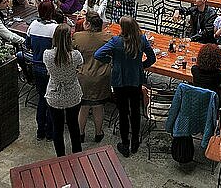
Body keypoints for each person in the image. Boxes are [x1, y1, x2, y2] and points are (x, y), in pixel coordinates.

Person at [94, 16, 156, 158]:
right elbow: (152, 58)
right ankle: (135, 142)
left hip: (119, 81)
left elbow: (98, 54)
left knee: (123, 113)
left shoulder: (116, 41)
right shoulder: (141, 40)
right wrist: (141, 66)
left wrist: (110, 61)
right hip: (135, 80)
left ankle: (125, 143)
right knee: (135, 110)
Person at [44, 24, 83, 157]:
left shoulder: (47, 55)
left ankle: (60, 157)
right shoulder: (76, 56)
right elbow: (79, 68)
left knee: (57, 128)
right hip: (72, 93)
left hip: (54, 94)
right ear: (69, 38)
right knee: (73, 126)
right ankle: (77, 153)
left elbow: (49, 71)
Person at [73, 11, 111, 142]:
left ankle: (81, 134)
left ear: (88, 24)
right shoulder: (107, 37)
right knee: (98, 106)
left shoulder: (78, 37)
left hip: (83, 76)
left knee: (83, 107)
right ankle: (98, 133)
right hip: (101, 77)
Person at [25, 0, 58, 140]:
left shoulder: (33, 25)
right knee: (51, 100)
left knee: (42, 98)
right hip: (50, 69)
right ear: (52, 12)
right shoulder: (55, 28)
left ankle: (40, 131)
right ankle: (50, 132)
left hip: (36, 66)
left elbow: (27, 45)